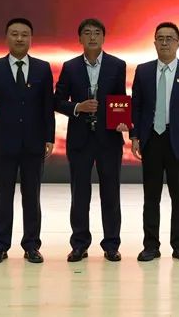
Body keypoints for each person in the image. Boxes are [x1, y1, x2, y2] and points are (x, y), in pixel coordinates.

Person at [0, 18, 55, 264]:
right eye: (15, 34)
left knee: (32, 196)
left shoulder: (42, 68)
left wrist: (49, 137)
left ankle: (32, 245)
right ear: (6, 37)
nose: (20, 38)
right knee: (2, 196)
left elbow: (47, 107)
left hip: (34, 143)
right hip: (3, 143)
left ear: (31, 38)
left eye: (24, 34)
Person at [54, 18, 129, 262]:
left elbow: (120, 99)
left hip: (109, 139)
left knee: (111, 194)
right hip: (80, 140)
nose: (92, 37)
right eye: (87, 33)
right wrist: (78, 107)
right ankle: (79, 244)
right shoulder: (70, 67)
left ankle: (111, 245)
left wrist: (123, 121)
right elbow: (57, 101)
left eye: (97, 33)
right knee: (79, 195)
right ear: (80, 38)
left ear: (104, 37)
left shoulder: (117, 65)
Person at [130, 21, 179, 263]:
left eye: (169, 38)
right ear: (154, 43)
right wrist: (135, 136)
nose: (164, 42)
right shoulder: (143, 71)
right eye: (160, 38)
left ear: (178, 44)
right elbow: (137, 106)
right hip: (151, 140)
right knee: (151, 197)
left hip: (178, 141)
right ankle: (150, 246)